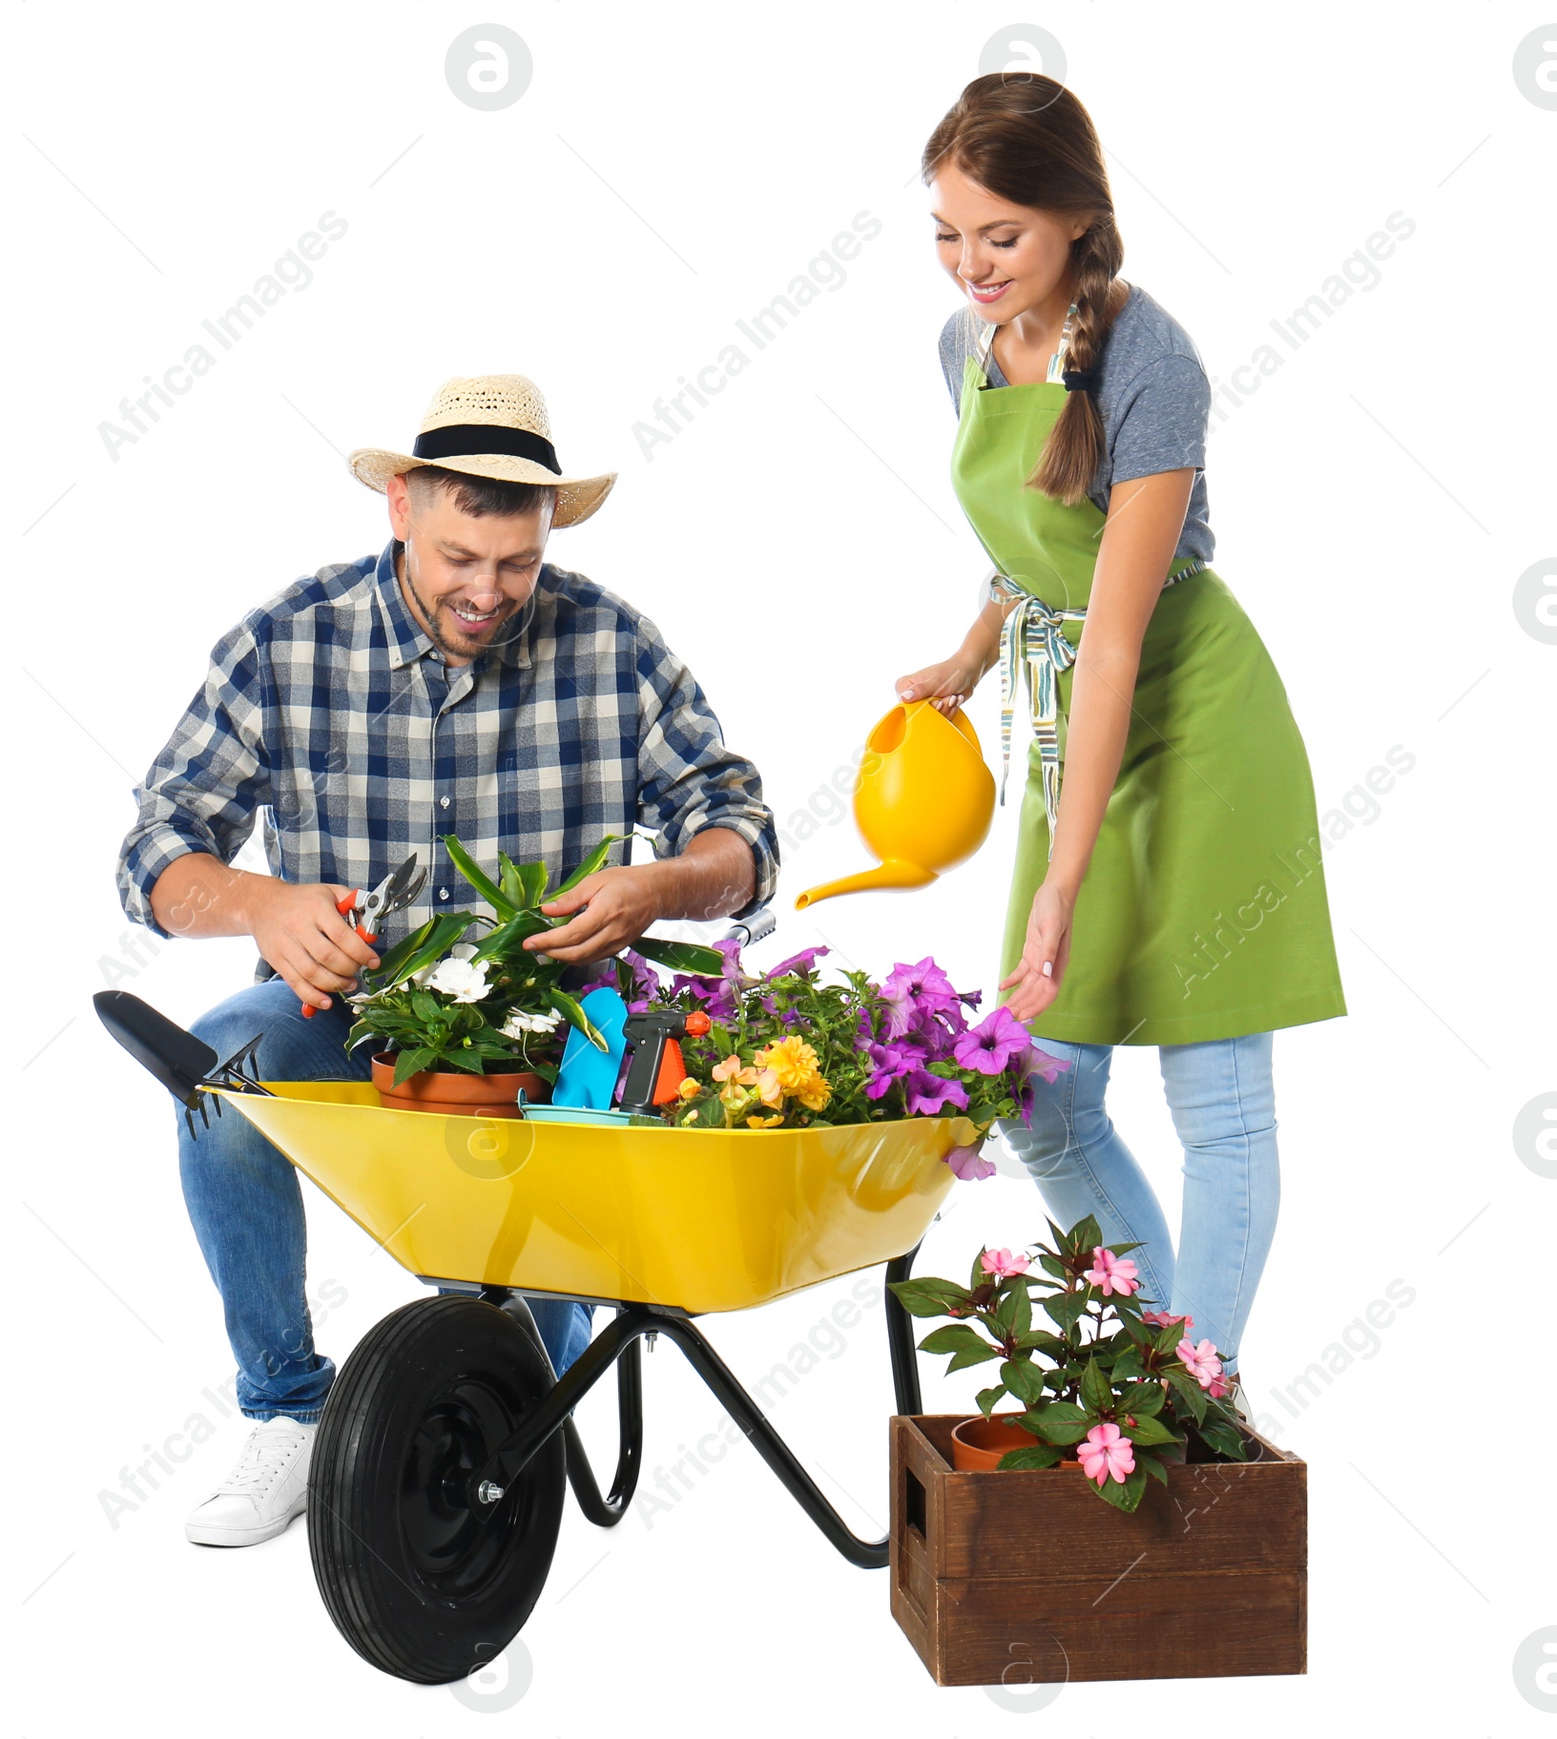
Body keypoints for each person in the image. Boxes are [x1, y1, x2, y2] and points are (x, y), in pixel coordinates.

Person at [115, 372, 777, 1545]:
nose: (486, 592)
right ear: (403, 510)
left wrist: (663, 882)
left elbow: (742, 833)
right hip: (358, 1013)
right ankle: (288, 1409)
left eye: (514, 564)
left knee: (510, 1349)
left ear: (547, 535)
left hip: (556, 1033)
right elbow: (155, 854)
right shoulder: (288, 639)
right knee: (216, 1067)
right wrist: (259, 902)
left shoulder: (613, 644)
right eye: (459, 556)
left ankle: (497, 1417)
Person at [895, 76, 1345, 1410]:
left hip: (1192, 722)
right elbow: (1030, 553)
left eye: (1003, 235)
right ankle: (1162, 1371)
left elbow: (1116, 631)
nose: (972, 265)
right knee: (1041, 1090)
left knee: (1217, 1093)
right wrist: (971, 659)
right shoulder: (960, 351)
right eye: (948, 233)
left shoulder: (1155, 361)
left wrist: (1060, 881)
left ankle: (1199, 1394)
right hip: (1065, 720)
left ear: (1080, 222)